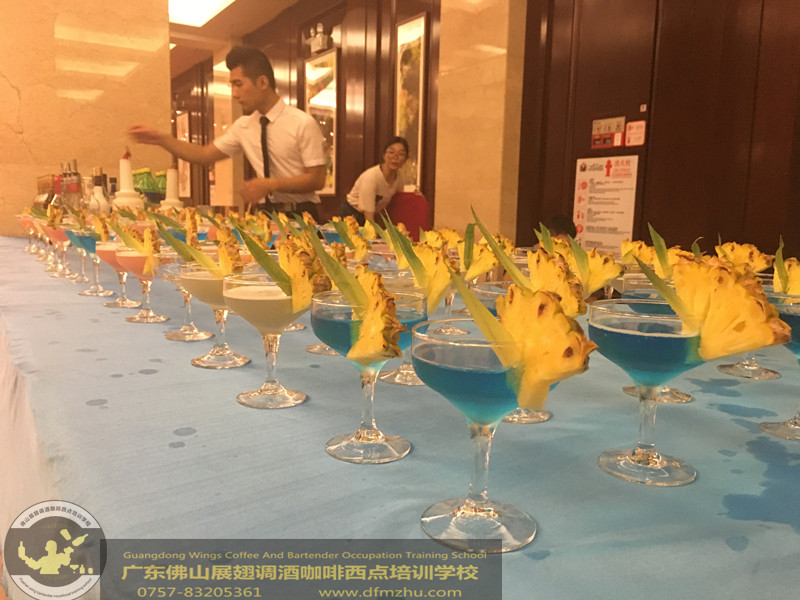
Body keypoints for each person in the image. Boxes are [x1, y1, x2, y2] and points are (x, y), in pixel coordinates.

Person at [128, 46, 327, 218]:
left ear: (262, 82)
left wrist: (269, 184)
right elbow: (203, 155)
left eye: (238, 84)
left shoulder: (302, 123)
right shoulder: (244, 126)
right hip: (265, 216)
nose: (234, 94)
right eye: (232, 86)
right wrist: (161, 139)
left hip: (303, 215)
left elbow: (317, 179)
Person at [341, 137, 409, 225]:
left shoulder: (399, 177)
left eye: (401, 154)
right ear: (384, 155)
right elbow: (369, 219)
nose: (395, 157)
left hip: (374, 213)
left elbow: (398, 201)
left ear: (405, 159)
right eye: (391, 152)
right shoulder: (371, 178)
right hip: (353, 213)